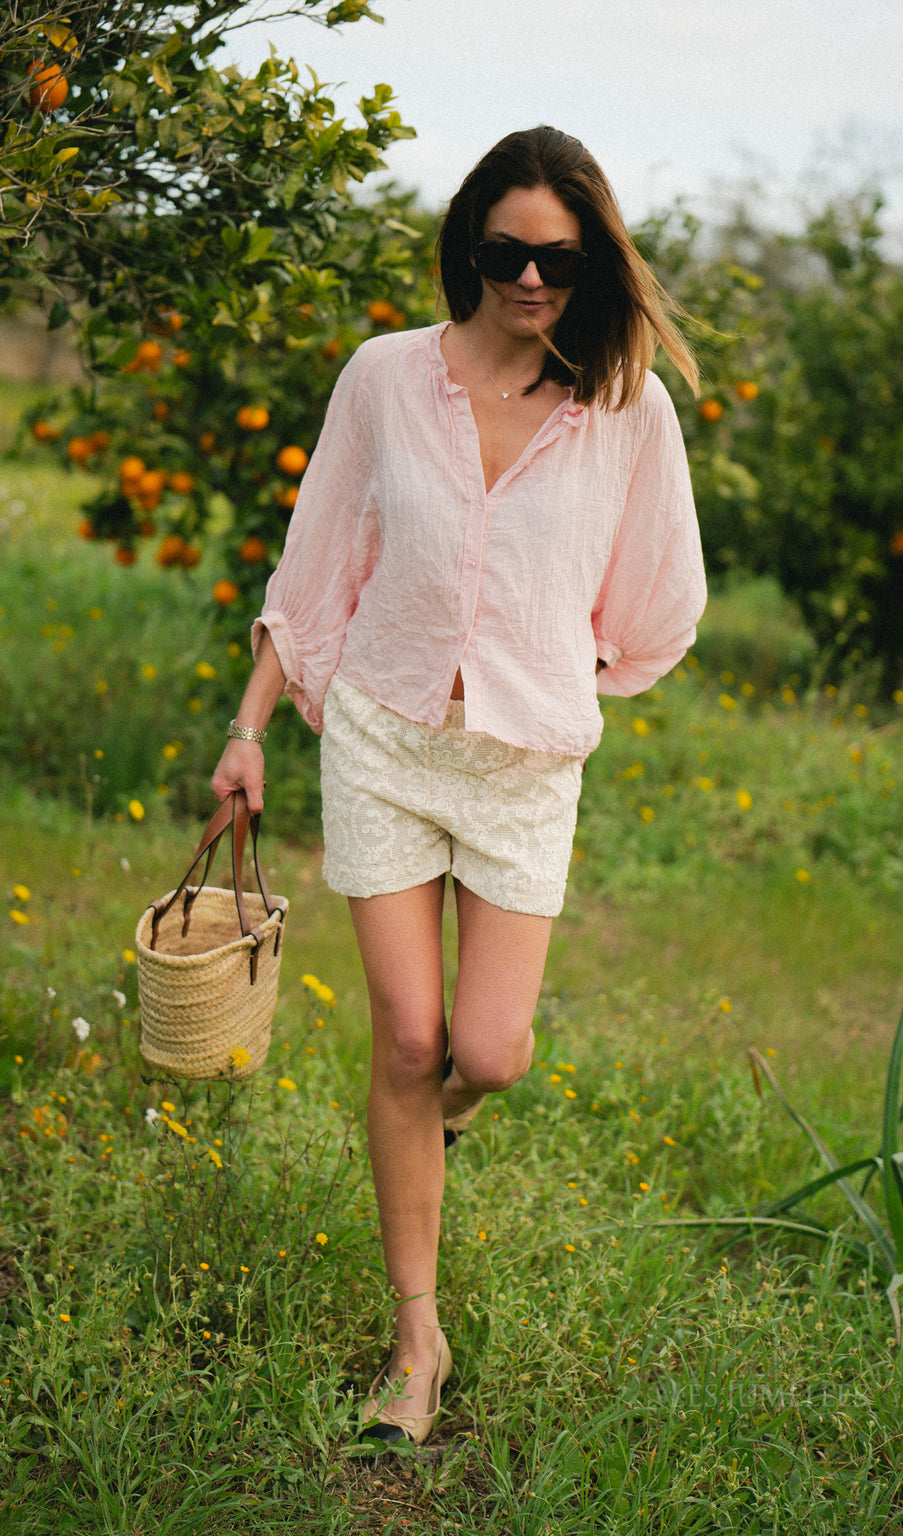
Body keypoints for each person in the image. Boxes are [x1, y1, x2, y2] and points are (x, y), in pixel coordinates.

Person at [211, 125, 706, 1449]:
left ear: (591, 264)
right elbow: (317, 562)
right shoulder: (385, 377)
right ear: (467, 248)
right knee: (406, 1042)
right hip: (384, 736)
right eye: (506, 252)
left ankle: (437, 1126)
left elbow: (660, 598)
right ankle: (416, 1340)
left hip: (523, 766)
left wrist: (555, 667)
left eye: (559, 258)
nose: (531, 279)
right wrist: (251, 727)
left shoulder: (626, 410)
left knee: (486, 1054)